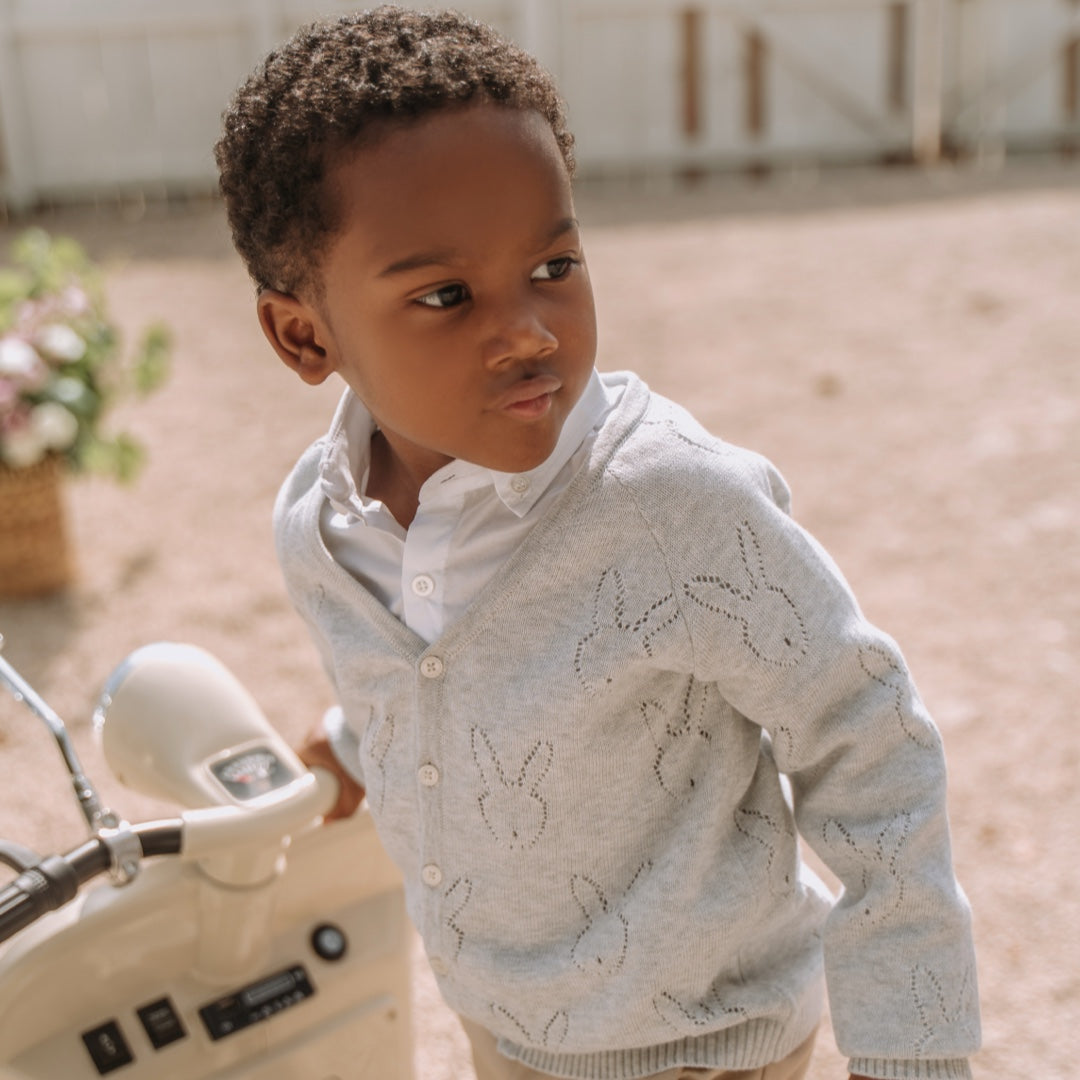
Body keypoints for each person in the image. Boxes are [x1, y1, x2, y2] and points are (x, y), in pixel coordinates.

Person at [214, 8, 980, 1079]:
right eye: (446, 295)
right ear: (305, 334)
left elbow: (871, 741)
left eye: (555, 264)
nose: (529, 330)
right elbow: (457, 668)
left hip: (705, 1048)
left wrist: (916, 1053)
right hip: (505, 1033)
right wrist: (355, 741)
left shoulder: (674, 506)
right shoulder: (321, 524)